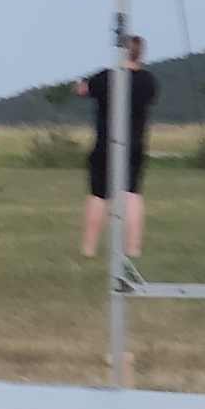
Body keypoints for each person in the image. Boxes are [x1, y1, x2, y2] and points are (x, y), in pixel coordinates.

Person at [76, 36, 158, 259]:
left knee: (98, 195)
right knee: (132, 194)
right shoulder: (148, 81)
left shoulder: (105, 77)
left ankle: (89, 249)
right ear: (140, 53)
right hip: (134, 145)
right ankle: (133, 248)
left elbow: (82, 89)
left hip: (105, 144)